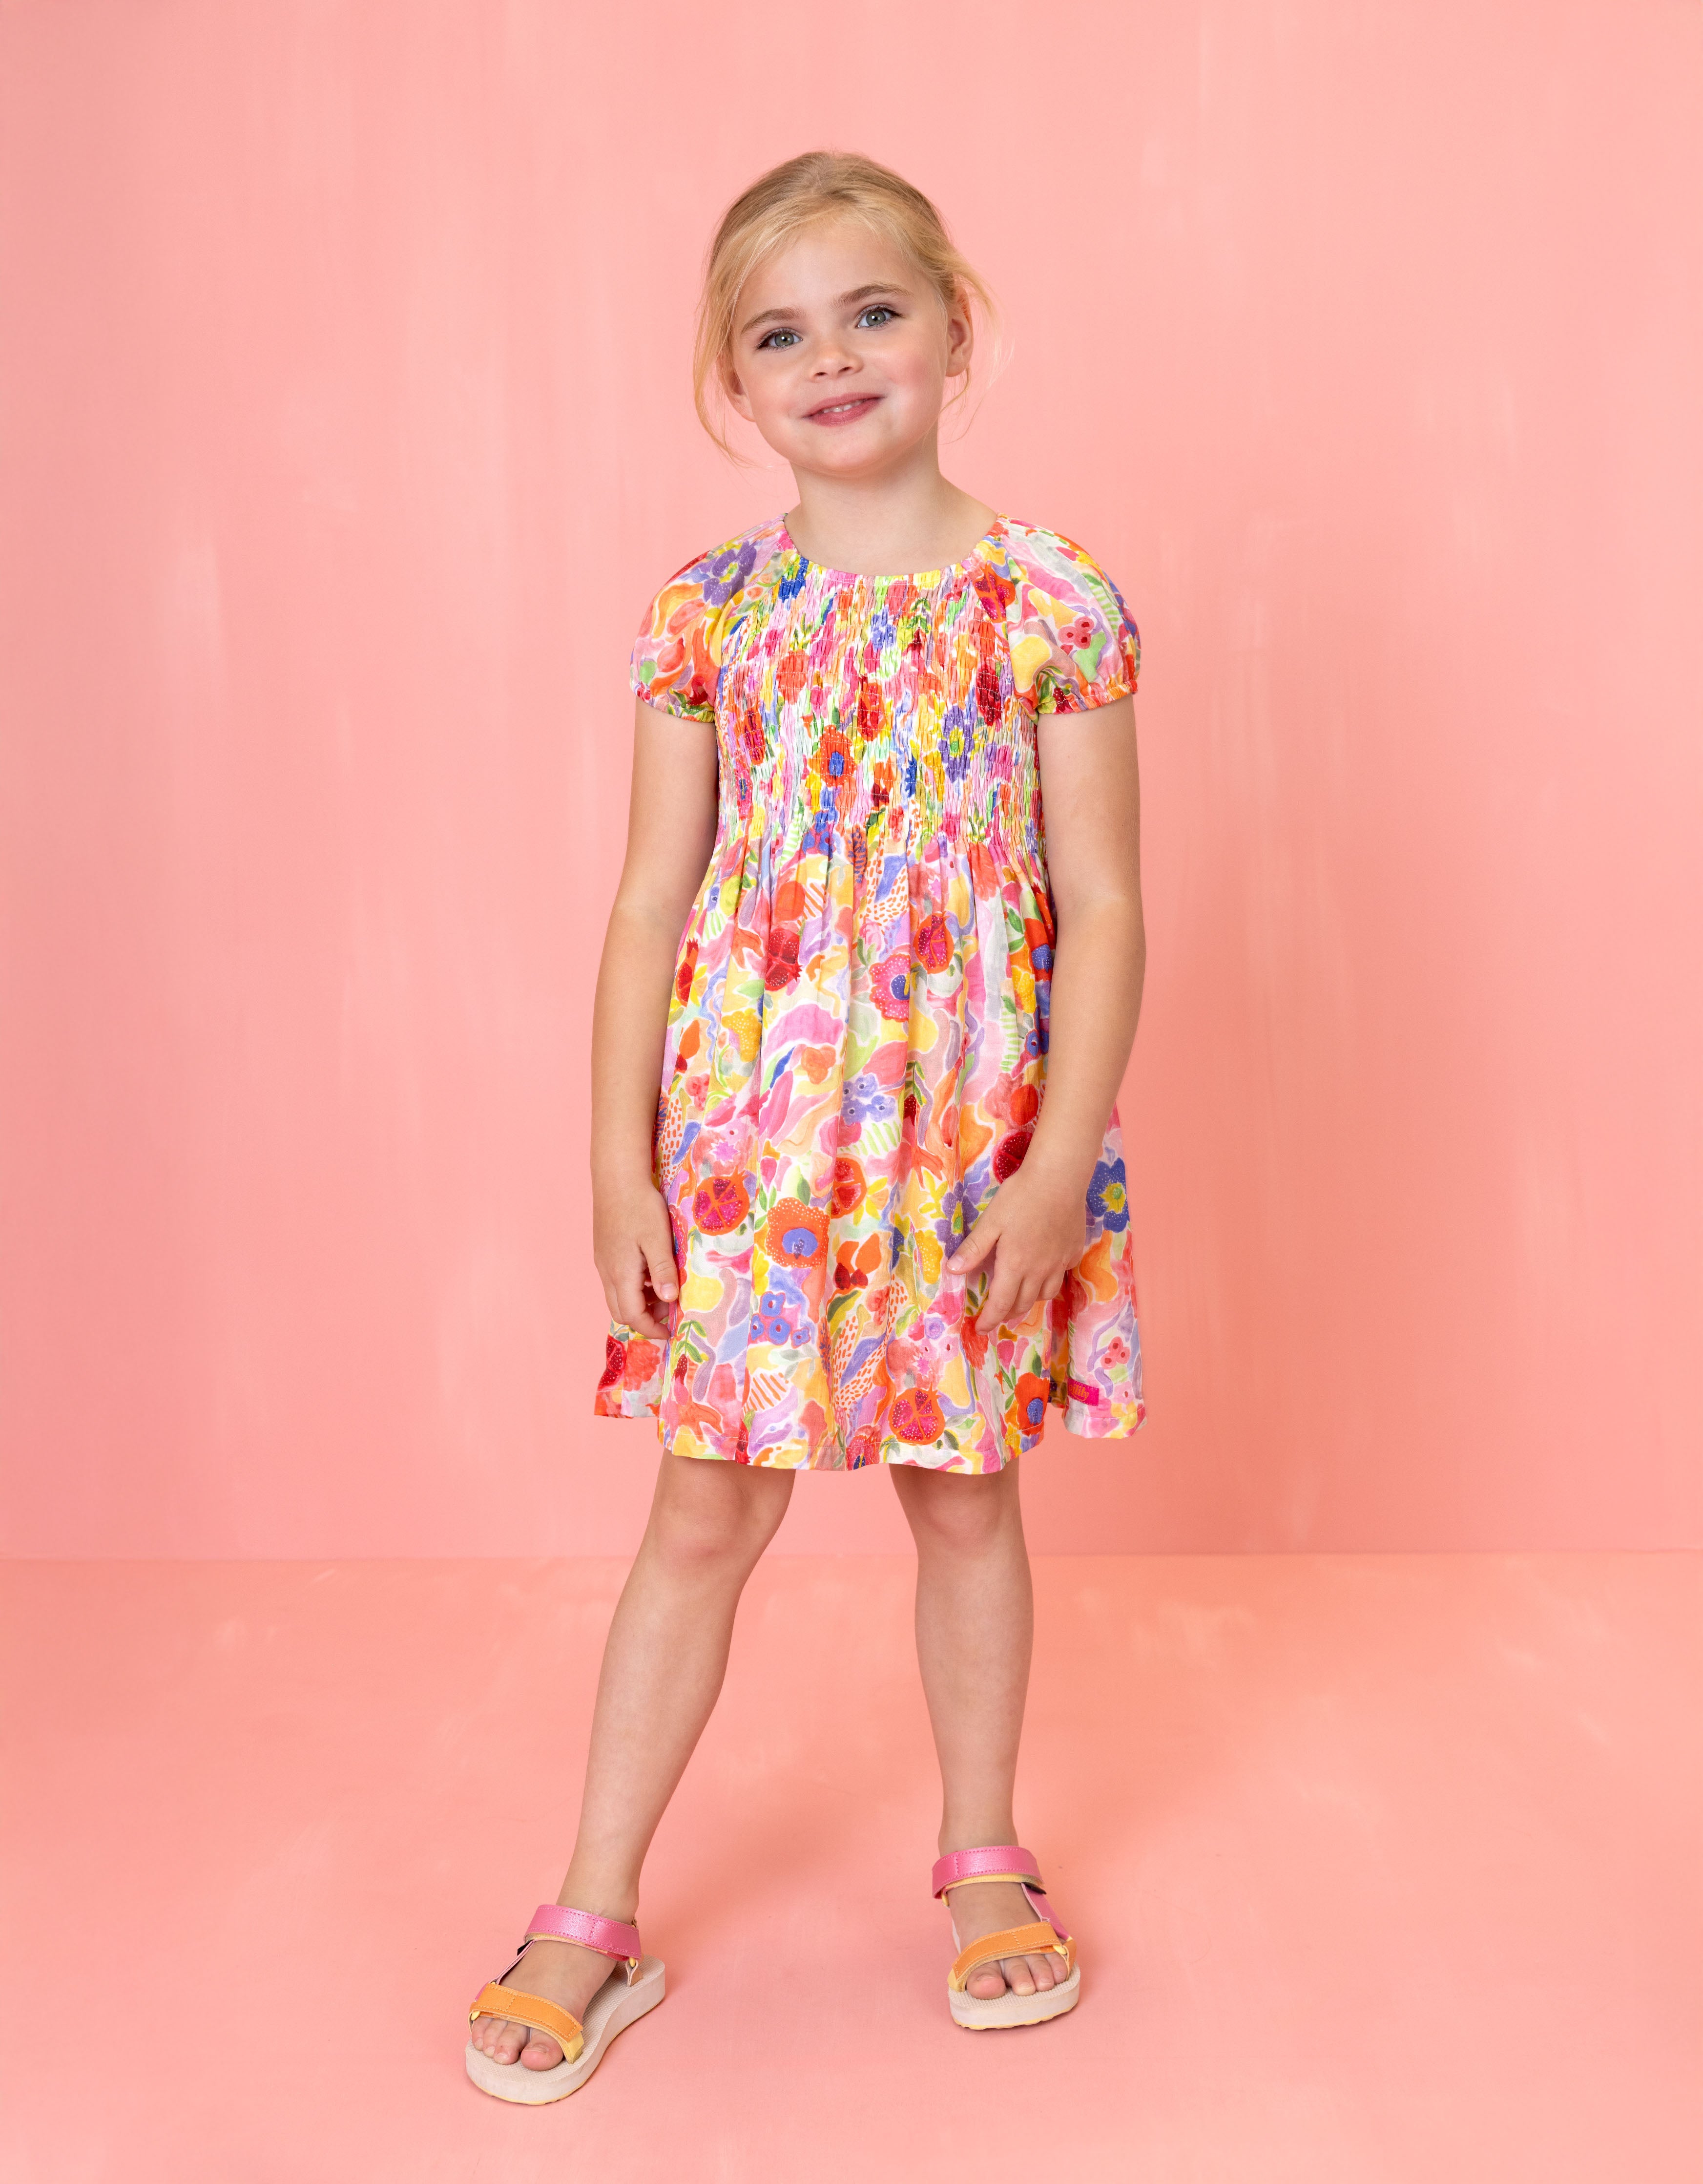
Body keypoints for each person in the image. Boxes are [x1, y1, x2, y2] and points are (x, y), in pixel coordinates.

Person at [466, 149, 1147, 2104]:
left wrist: (1058, 1161)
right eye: (779, 334)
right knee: (701, 1508)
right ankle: (592, 1910)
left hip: (967, 1146)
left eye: (871, 312)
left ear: (951, 326)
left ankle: (983, 1853)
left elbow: (1104, 900)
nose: (831, 357)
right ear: (732, 382)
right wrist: (617, 1164)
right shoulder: (707, 615)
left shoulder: (1051, 600)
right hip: (750, 1152)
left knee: (965, 1494)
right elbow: (646, 901)